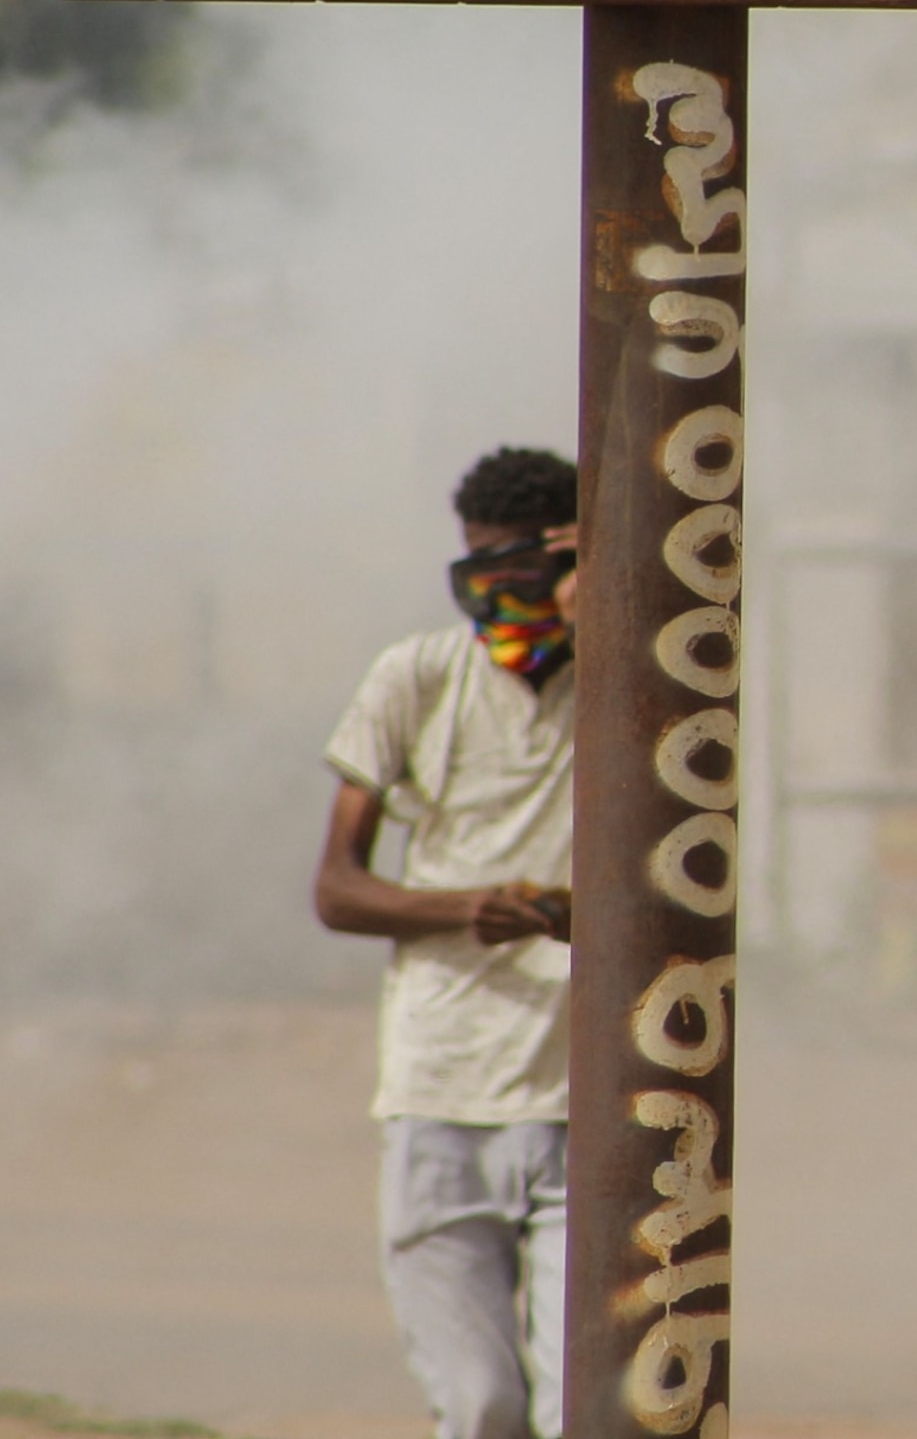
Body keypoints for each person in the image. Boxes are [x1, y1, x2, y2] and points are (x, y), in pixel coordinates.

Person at [314, 446, 581, 1439]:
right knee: (482, 1404)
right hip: (442, 1089)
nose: (506, 591)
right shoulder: (417, 674)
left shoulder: (635, 689)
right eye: (485, 565)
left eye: (534, 564)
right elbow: (338, 888)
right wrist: (469, 906)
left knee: (580, 1407)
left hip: (576, 1101)